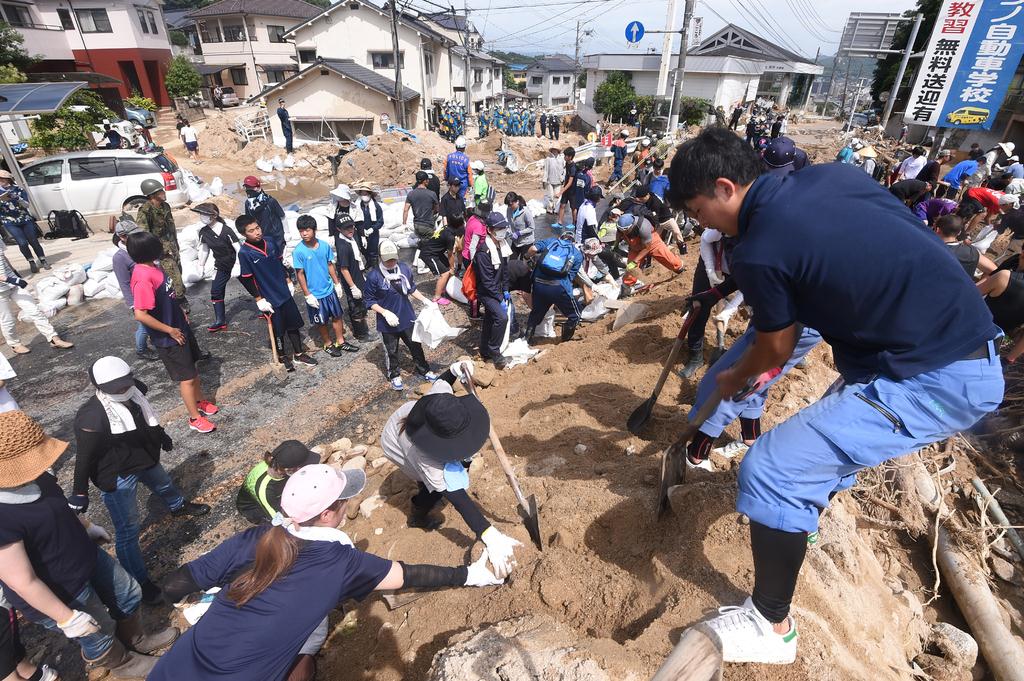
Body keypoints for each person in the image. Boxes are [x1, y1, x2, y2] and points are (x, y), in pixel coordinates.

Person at [665, 126, 1003, 665]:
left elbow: (775, 346)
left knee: (771, 468)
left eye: (697, 209)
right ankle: (804, 521)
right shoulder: (832, 178)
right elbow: (834, 255)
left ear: (725, 187)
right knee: (815, 451)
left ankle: (771, 624)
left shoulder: (759, 250)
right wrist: (735, 289)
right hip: (945, 346)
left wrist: (734, 377)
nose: (698, 222)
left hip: (934, 378)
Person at [151, 463, 505, 681]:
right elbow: (408, 575)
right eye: (344, 499)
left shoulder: (254, 537)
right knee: (302, 663)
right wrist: (470, 574)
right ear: (327, 514)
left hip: (177, 665)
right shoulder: (339, 562)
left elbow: (175, 584)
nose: (348, 502)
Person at [0, 410, 180, 679]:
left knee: (128, 592)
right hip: (58, 586)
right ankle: (120, 663)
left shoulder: (39, 477)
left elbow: (62, 506)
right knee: (98, 628)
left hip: (83, 554)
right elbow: (21, 580)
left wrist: (88, 527)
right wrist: (66, 618)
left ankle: (135, 638)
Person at [70, 356, 210, 604]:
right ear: (101, 387)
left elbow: (147, 418)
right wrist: (79, 491)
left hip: (145, 457)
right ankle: (141, 582)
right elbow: (84, 457)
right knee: (128, 530)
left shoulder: (136, 391)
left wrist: (162, 435)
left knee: (164, 484)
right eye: (117, 388)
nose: (124, 390)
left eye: (126, 383)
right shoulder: (91, 417)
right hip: (118, 473)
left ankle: (178, 507)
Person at [381, 359, 521, 559]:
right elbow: (456, 496)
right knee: (434, 489)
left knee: (463, 461)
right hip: (397, 444)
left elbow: (443, 381)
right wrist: (487, 531)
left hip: (427, 430)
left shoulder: (441, 403)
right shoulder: (421, 452)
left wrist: (455, 369)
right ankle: (417, 514)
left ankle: (428, 490)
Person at [127, 232, 218, 433]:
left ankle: (200, 401)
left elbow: (167, 296)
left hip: (179, 328)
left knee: (193, 369)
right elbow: (140, 315)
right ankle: (194, 418)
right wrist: (169, 330)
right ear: (148, 250)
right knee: (186, 378)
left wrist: (180, 313)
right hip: (169, 336)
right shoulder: (142, 277)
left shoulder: (154, 266)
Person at [235, 215, 315, 372]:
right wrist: (259, 299)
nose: (257, 232)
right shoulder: (245, 253)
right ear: (244, 234)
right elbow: (247, 278)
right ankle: (282, 356)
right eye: (251, 231)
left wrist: (288, 280)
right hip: (269, 298)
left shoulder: (270, 243)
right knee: (278, 330)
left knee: (293, 325)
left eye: (257, 228)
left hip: (284, 292)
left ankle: (298, 354)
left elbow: (279, 262)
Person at [363, 240, 438, 390]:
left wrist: (425, 300)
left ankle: (423, 369)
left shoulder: (404, 269)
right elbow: (369, 301)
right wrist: (385, 312)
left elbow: (411, 289)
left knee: (415, 344)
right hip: (387, 322)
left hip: (406, 316)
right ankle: (395, 374)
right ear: (380, 257)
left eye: (393, 258)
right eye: (387, 259)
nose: (391, 262)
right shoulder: (374, 276)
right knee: (391, 350)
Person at [292, 215, 359, 357]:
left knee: (337, 316)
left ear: (314, 230)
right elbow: (300, 274)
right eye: (301, 231)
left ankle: (340, 341)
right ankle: (327, 343)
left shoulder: (324, 246)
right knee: (321, 321)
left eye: (307, 230)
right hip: (315, 294)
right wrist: (307, 294)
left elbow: (330, 265)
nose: (304, 234)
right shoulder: (298, 251)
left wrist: (337, 283)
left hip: (328, 290)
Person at [0, 243, 73, 355]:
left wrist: (15, 273)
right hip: (2, 289)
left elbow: (3, 257)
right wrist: (10, 279)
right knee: (7, 320)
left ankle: (54, 338)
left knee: (34, 310)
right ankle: (15, 344)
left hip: (13, 283)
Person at [236, 440, 320, 525]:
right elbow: (280, 520)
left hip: (277, 491)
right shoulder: (265, 490)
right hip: (254, 508)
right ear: (289, 470)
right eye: (303, 466)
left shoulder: (279, 462)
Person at [136, 178, 189, 312]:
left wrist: (175, 244)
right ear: (152, 195)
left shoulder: (165, 206)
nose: (163, 193)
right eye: (160, 191)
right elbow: (144, 233)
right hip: (161, 249)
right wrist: (156, 250)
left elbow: (171, 227)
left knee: (178, 272)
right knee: (173, 275)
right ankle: (179, 302)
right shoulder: (145, 210)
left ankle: (178, 298)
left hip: (172, 246)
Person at [525, 223, 584, 343]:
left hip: (539, 285)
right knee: (575, 314)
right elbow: (570, 276)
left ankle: (527, 340)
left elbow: (533, 249)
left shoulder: (551, 242)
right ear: (573, 241)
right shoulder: (576, 253)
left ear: (561, 237)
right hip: (559, 287)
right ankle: (564, 340)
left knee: (536, 312)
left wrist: (526, 258)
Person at [109, 218, 156, 361]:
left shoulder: (138, 248)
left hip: (151, 291)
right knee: (145, 325)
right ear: (123, 237)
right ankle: (141, 349)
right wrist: (133, 304)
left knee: (154, 320)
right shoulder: (120, 257)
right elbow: (124, 283)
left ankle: (155, 340)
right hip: (138, 298)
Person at [474, 213, 513, 367]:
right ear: (490, 230)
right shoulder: (484, 252)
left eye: (504, 227)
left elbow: (504, 270)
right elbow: (486, 280)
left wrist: (505, 289)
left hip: (497, 289)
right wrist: (499, 298)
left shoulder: (502, 245)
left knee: (490, 319)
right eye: (499, 228)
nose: (502, 231)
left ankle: (484, 350)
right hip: (486, 291)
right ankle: (494, 351)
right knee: (501, 318)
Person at [194, 203, 239, 333]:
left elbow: (238, 248)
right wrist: (201, 265)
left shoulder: (226, 230)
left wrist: (238, 265)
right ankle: (220, 320)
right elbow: (204, 249)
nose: (202, 217)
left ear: (214, 215)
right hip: (221, 266)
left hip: (236, 263)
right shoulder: (204, 232)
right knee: (216, 290)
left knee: (251, 285)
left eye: (205, 214)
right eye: (201, 214)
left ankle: (262, 307)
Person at [616, 212, 684, 290]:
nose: (624, 232)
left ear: (631, 225)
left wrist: (635, 261)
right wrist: (616, 245)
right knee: (630, 268)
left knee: (666, 257)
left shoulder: (643, 226)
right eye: (622, 230)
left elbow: (647, 248)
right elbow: (618, 233)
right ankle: (627, 287)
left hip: (651, 241)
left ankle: (679, 268)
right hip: (634, 245)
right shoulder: (620, 226)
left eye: (626, 230)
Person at [0, 170, 50, 273]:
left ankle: (42, 259)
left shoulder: (18, 189)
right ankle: (31, 261)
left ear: (8, 179)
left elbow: (27, 205)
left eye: (2, 179)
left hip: (25, 218)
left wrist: (17, 198)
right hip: (9, 221)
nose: (1, 181)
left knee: (33, 240)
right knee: (22, 243)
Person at [333, 219, 370, 340]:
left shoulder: (351, 239)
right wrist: (353, 287)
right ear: (339, 229)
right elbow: (344, 269)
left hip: (357, 275)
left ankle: (364, 329)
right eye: (346, 228)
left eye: (351, 227)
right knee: (356, 307)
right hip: (352, 281)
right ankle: (361, 334)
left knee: (361, 304)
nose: (350, 230)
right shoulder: (343, 246)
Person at [932, 215, 997, 278]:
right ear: (959, 233)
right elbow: (994, 271)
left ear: (937, 230)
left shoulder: (934, 251)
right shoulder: (971, 251)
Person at [242, 177, 287, 266]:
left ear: (258, 187)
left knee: (279, 258)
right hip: (261, 236)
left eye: (251, 188)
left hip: (275, 235)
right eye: (247, 188)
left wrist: (287, 232)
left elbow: (282, 216)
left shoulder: (270, 201)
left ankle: (287, 274)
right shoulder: (248, 204)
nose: (249, 190)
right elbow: (249, 222)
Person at [351, 182, 384, 270]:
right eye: (362, 193)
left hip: (373, 233)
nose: (364, 195)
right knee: (363, 249)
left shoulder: (376, 207)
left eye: (366, 193)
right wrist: (360, 231)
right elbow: (353, 219)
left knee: (373, 251)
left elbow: (380, 221)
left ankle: (375, 268)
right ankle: (368, 263)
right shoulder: (357, 206)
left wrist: (372, 229)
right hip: (360, 232)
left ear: (370, 194)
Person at [404, 171, 439, 239]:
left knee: (421, 243)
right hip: (428, 225)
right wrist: (432, 213)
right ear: (425, 181)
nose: (428, 181)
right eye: (427, 179)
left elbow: (405, 210)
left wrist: (404, 224)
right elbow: (437, 209)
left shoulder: (411, 194)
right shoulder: (432, 194)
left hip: (417, 226)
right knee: (429, 246)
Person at [504, 192, 535, 258]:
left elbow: (532, 227)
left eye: (511, 205)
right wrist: (508, 232)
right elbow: (509, 223)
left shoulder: (525, 212)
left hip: (526, 243)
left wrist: (519, 233)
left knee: (523, 264)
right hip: (515, 242)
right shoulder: (509, 210)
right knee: (512, 262)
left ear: (517, 201)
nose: (510, 207)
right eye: (508, 205)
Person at [543, 147, 565, 214]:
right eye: (553, 150)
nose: (554, 151)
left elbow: (563, 170)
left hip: (558, 181)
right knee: (550, 196)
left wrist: (563, 178)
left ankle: (555, 209)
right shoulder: (548, 159)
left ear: (558, 151)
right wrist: (544, 180)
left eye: (555, 150)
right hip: (550, 181)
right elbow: (546, 170)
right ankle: (550, 209)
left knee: (556, 196)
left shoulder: (561, 159)